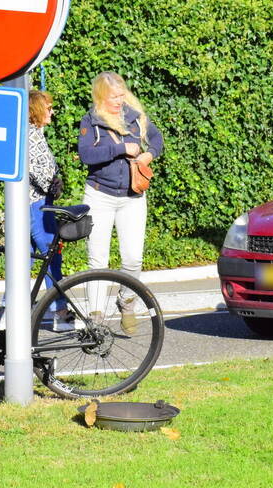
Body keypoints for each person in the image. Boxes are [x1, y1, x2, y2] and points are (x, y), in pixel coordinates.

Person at [77, 71, 164, 333]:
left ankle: (127, 301)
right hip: (99, 196)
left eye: (121, 94)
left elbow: (157, 140)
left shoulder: (136, 117)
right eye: (114, 96)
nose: (119, 100)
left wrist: (149, 154)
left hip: (132, 198)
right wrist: (121, 149)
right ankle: (96, 316)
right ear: (102, 96)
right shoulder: (90, 121)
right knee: (97, 260)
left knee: (133, 259)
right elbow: (86, 155)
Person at [27, 89, 72, 331]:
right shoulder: (32, 136)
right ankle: (60, 311)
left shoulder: (33, 133)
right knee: (51, 256)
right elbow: (38, 170)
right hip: (38, 203)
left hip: (29, 203)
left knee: (23, 259)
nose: (52, 112)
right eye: (49, 108)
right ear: (36, 111)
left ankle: (11, 311)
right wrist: (52, 185)